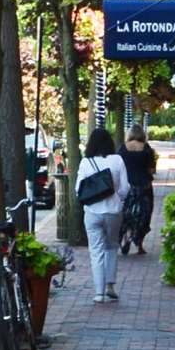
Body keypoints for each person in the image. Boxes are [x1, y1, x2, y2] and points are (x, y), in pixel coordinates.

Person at [74, 122, 128, 305]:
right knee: (112, 247)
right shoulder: (117, 160)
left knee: (96, 251)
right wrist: (118, 199)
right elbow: (125, 188)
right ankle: (110, 287)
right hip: (113, 211)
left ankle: (99, 293)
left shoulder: (85, 162)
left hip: (92, 211)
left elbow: (78, 189)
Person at [120, 121, 156, 255]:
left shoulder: (123, 148)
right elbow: (152, 170)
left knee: (126, 213)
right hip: (144, 186)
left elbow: (118, 166)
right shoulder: (147, 148)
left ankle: (125, 236)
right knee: (144, 214)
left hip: (127, 186)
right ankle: (139, 244)